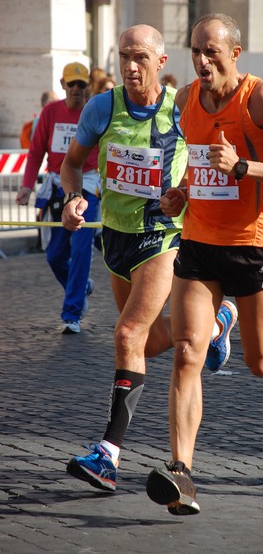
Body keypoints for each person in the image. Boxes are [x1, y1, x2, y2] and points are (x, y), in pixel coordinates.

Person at [146, 13, 263, 516]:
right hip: (199, 241)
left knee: (259, 361)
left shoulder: (259, 98)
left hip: (255, 245)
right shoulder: (185, 101)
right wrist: (180, 194)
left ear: (234, 53)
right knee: (186, 352)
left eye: (211, 52)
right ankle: (181, 473)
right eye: (195, 51)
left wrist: (244, 167)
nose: (201, 61)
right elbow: (195, 161)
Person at [60, 24, 237, 492]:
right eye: (123, 57)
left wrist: (188, 193)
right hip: (115, 239)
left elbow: (210, 154)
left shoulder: (181, 106)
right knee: (142, 343)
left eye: (140, 57)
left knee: (126, 333)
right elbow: (72, 163)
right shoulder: (103, 107)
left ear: (161, 62)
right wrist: (74, 197)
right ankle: (216, 325)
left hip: (162, 236)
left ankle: (107, 455)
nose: (130, 66)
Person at [16, 62, 100, 334]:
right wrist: (27, 186)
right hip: (57, 188)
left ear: (88, 87)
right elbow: (35, 151)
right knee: (53, 255)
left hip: (88, 187)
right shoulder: (50, 112)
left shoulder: (95, 111)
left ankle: (72, 313)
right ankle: (82, 287)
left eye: (82, 85)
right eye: (72, 84)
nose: (76, 89)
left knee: (80, 249)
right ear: (63, 85)